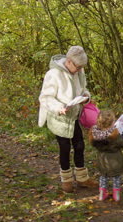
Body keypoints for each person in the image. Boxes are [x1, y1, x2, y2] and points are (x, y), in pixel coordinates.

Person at [38, 46, 98, 193]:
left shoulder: (79, 72)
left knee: (79, 146)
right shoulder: (53, 74)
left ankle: (82, 178)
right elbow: (45, 97)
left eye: (81, 67)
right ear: (69, 62)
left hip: (74, 115)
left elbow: (84, 89)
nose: (79, 70)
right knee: (64, 148)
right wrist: (59, 107)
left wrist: (85, 97)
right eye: (77, 67)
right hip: (59, 117)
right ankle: (66, 180)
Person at [88, 110, 123, 201]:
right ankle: (116, 195)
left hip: (102, 161)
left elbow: (93, 144)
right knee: (116, 177)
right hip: (116, 161)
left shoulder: (95, 134)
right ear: (113, 122)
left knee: (103, 177)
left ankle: (102, 194)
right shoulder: (115, 135)